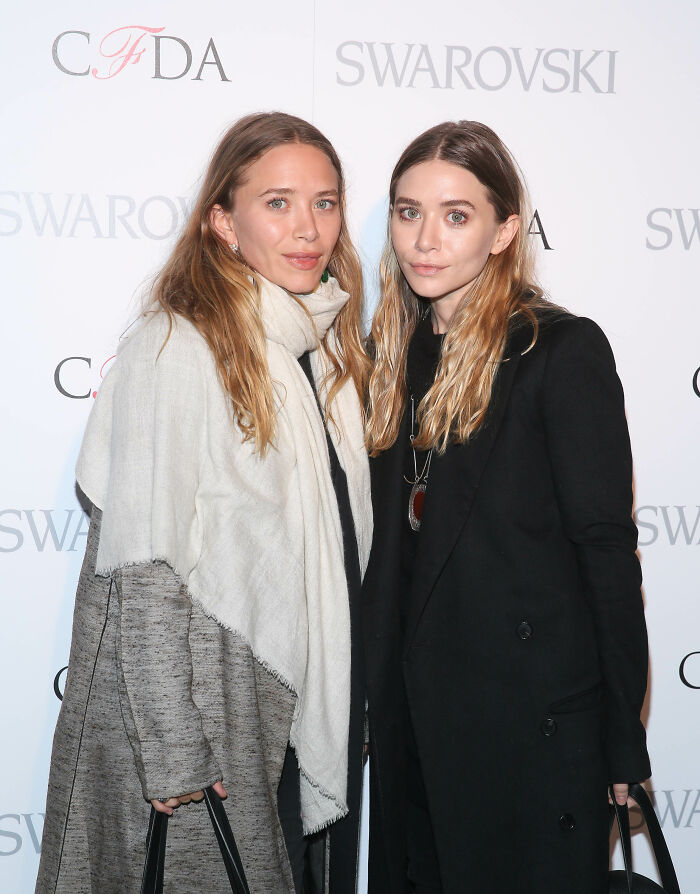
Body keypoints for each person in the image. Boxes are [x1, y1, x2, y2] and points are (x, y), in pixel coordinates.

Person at [35, 112, 372, 894]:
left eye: (325, 203)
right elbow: (142, 560)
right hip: (204, 702)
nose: (307, 228)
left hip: (285, 703)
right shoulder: (177, 346)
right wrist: (171, 744)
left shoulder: (317, 352)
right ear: (223, 219)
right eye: (278, 202)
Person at [362, 120, 651, 894]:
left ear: (504, 231)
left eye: (456, 215)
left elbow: (605, 551)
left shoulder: (558, 351)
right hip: (413, 726)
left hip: (529, 729)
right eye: (407, 210)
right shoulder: (389, 357)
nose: (426, 238)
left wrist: (624, 739)